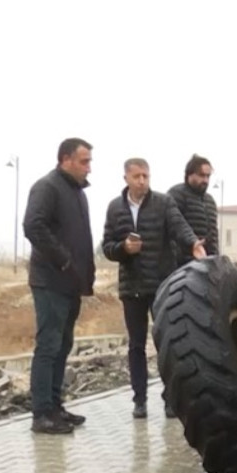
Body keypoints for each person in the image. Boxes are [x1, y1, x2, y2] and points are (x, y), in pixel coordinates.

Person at [100, 158, 205, 418]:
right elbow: (107, 247)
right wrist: (123, 248)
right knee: (136, 345)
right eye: (137, 176)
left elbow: (179, 226)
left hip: (161, 286)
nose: (142, 181)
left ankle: (171, 398)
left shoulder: (163, 203)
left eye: (146, 176)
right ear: (126, 178)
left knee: (167, 344)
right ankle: (140, 400)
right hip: (131, 287)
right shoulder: (115, 208)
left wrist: (193, 243)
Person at [21, 138, 97, 435]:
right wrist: (64, 260)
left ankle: (55, 406)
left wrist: (83, 275)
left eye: (89, 161)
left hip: (71, 284)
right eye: (84, 161)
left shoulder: (77, 193)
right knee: (49, 345)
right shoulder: (47, 187)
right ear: (65, 159)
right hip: (50, 281)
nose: (89, 167)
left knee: (63, 345)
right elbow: (33, 226)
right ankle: (41, 414)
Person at [168, 154, 219, 267]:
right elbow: (174, 226)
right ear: (189, 175)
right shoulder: (176, 195)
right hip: (182, 265)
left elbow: (214, 235)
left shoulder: (210, 201)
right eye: (201, 175)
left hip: (206, 263)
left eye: (208, 176)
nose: (205, 180)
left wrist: (216, 260)